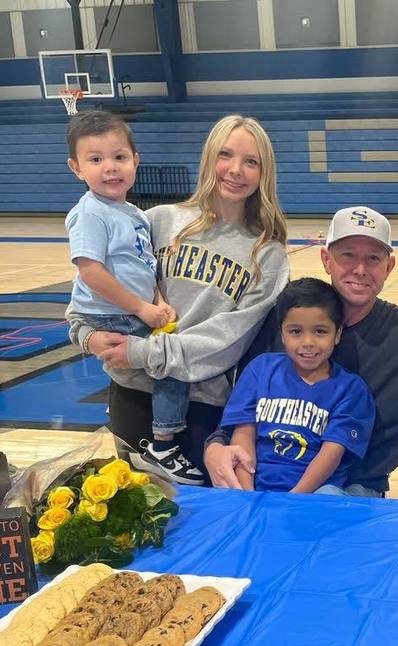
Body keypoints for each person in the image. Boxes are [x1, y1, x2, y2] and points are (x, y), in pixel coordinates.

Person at [69, 115, 290, 481]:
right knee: (135, 521)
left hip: (200, 404)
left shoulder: (267, 254)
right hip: (131, 390)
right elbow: (93, 290)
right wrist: (86, 336)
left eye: (251, 162)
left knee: (197, 523)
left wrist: (144, 352)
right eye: (226, 155)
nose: (236, 170)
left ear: (264, 172)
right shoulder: (157, 221)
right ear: (209, 159)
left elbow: (228, 339)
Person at [205, 206, 398, 496]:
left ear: (389, 266)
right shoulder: (279, 321)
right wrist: (215, 447)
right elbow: (243, 412)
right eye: (347, 255)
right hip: (263, 481)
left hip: (351, 489)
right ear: (326, 259)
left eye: (373, 258)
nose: (360, 269)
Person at [63, 111, 200, 481]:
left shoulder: (135, 214)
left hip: (134, 312)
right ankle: (163, 443)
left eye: (119, 157)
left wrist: (157, 300)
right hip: (114, 317)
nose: (110, 167)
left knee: (172, 356)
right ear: (77, 168)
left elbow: (144, 265)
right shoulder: (90, 214)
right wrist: (141, 308)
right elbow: (90, 271)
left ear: (135, 162)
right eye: (96, 159)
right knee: (173, 367)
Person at [220, 277, 375, 493]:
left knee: (330, 496)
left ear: (337, 333)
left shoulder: (351, 389)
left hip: (312, 494)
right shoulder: (260, 369)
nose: (308, 342)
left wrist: (295, 499)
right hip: (255, 488)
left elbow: (331, 453)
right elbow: (243, 435)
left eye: (320, 331)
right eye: (295, 331)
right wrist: (247, 495)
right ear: (282, 333)